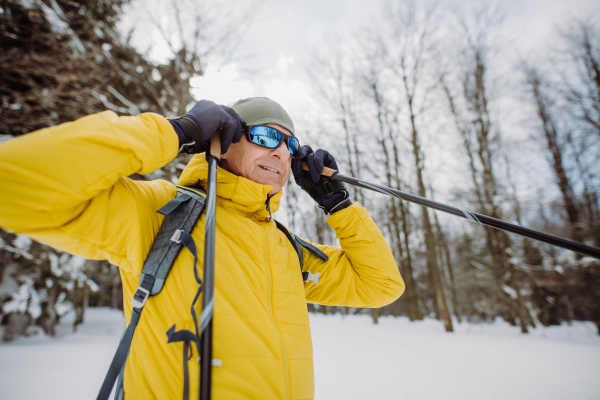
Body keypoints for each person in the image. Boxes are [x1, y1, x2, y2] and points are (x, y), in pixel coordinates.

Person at [0, 97, 405, 399]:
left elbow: (379, 285)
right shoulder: (160, 212)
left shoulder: (285, 248)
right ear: (224, 142)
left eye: (291, 146)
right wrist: (175, 131)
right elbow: (12, 185)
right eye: (265, 136)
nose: (281, 153)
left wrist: (338, 205)